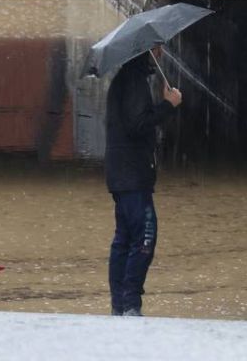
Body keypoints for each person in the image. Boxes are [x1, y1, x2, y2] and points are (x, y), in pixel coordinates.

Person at [105, 45, 182, 317]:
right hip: (132, 175)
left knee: (124, 239)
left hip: (123, 175)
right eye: (157, 48)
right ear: (145, 50)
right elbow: (138, 125)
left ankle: (120, 304)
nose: (160, 53)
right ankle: (129, 304)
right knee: (145, 237)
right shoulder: (134, 81)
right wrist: (167, 106)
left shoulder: (127, 78)